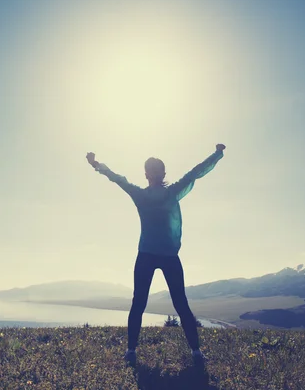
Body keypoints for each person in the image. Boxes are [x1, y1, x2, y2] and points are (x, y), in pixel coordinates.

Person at [86, 144, 225, 369]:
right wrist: (217, 154)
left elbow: (119, 179)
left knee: (145, 302)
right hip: (161, 255)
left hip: (152, 255)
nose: (153, 173)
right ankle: (191, 352)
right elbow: (195, 173)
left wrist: (96, 165)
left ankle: (138, 351)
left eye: (153, 169)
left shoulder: (145, 195)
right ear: (159, 174)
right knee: (172, 303)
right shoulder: (169, 193)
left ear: (148, 174)